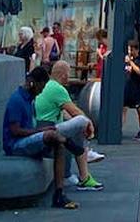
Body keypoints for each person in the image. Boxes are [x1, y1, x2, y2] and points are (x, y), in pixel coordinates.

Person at [2, 67, 75, 211]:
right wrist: (41, 131)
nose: (41, 92)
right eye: (40, 87)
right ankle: (70, 145)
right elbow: (15, 131)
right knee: (50, 135)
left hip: (27, 139)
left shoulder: (30, 100)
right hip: (14, 145)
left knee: (57, 145)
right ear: (32, 83)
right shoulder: (16, 100)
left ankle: (59, 193)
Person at [36, 60, 103, 191]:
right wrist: (89, 125)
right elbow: (76, 112)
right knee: (81, 122)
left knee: (75, 126)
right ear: (64, 76)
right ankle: (84, 171)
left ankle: (82, 154)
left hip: (42, 128)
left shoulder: (48, 86)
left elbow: (66, 113)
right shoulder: (58, 89)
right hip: (47, 131)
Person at [124, 43, 140, 139]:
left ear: (137, 50)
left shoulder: (139, 60)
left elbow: (139, 71)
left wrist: (131, 63)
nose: (130, 52)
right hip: (128, 88)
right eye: (129, 50)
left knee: (139, 109)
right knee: (123, 108)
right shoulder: (128, 60)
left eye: (132, 50)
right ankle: (118, 128)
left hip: (136, 89)